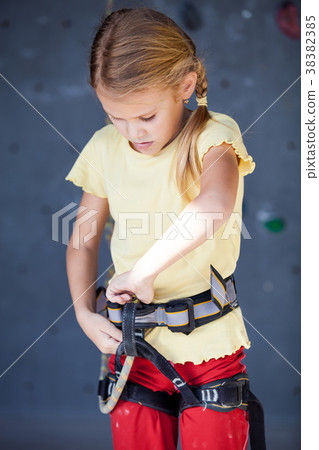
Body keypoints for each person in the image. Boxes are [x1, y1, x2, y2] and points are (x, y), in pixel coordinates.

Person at [65, 7, 256, 450]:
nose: (132, 132)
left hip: (209, 350)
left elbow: (214, 205)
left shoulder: (214, 136)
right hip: (135, 350)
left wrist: (144, 271)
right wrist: (81, 313)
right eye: (116, 117)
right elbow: (83, 236)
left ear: (185, 86)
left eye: (146, 116)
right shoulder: (105, 147)